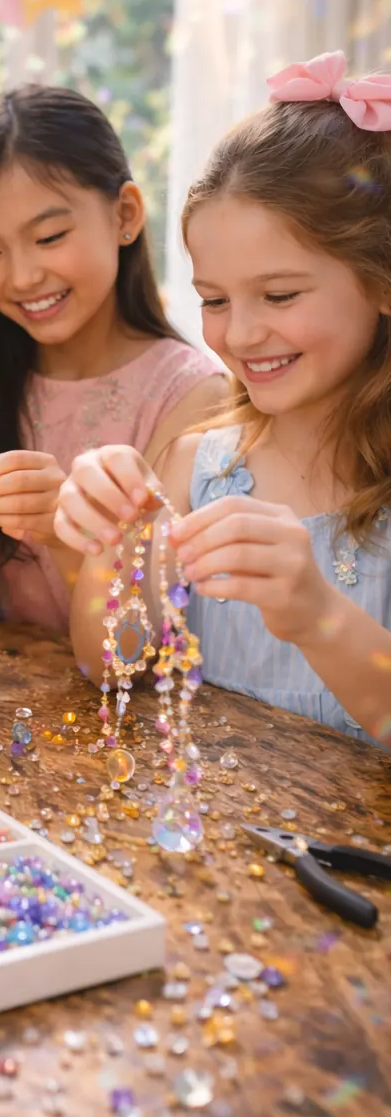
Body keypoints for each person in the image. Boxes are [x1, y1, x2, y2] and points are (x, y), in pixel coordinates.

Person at [56, 51, 391, 745]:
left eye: (279, 295)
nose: (238, 333)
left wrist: (316, 614)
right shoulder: (195, 468)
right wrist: (119, 545)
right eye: (213, 300)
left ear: (381, 280)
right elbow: (105, 661)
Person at [0, 84, 222, 632]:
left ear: (125, 214)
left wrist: (62, 534)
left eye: (50, 236)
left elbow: (138, 647)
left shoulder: (192, 398)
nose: (23, 276)